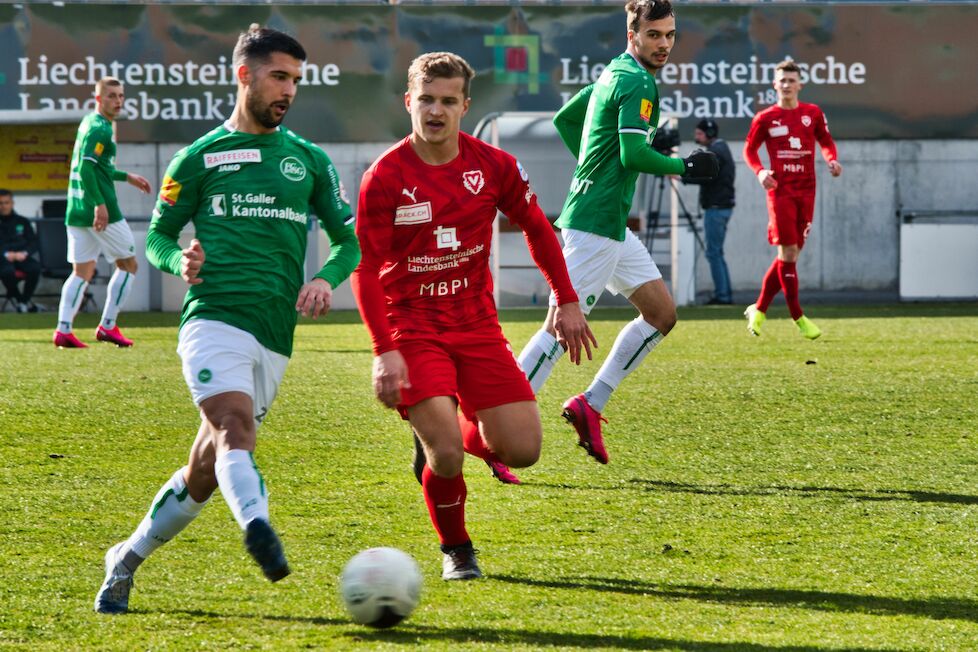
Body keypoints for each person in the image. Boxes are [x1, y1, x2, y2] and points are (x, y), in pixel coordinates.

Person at [93, 25, 360, 614]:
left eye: (296, 79)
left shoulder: (309, 160)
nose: (288, 90)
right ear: (245, 75)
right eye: (278, 76)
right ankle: (259, 527)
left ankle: (127, 558)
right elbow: (160, 238)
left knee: (206, 470)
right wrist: (178, 261)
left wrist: (324, 279)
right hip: (211, 319)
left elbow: (349, 242)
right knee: (236, 429)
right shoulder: (198, 158)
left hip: (274, 334)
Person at [351, 52, 593, 580]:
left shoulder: (494, 166)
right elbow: (366, 268)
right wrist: (382, 350)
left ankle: (449, 419)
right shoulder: (385, 177)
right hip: (410, 327)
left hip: (476, 324)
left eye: (447, 101)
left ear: (465, 105)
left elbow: (536, 226)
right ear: (408, 101)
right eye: (426, 100)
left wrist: (566, 296)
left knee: (523, 450)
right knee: (445, 457)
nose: (435, 111)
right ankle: (457, 550)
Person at [516, 0, 717, 465]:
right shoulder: (638, 81)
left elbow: (566, 119)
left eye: (669, 35)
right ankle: (496, 426)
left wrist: (592, 165)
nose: (663, 44)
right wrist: (683, 166)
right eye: (654, 35)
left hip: (606, 224)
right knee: (558, 328)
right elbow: (631, 155)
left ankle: (590, 404)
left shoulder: (613, 72)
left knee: (661, 313)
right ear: (633, 36)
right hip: (596, 226)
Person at [742, 59, 842, 340]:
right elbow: (749, 151)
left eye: (791, 80)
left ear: (800, 85)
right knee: (788, 254)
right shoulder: (765, 118)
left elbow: (826, 141)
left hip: (807, 191)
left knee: (790, 255)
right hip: (781, 192)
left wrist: (832, 160)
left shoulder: (812, 113)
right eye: (781, 80)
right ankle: (798, 316)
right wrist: (760, 171)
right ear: (774, 85)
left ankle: (759, 308)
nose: (786, 85)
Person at [54, 76, 152, 348]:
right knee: (129, 264)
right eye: (111, 96)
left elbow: (97, 166)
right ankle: (108, 326)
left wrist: (125, 176)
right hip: (99, 208)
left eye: (121, 96)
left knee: (81, 272)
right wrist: (100, 204)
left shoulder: (90, 121)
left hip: (75, 209)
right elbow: (86, 169)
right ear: (98, 98)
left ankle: (63, 330)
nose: (118, 101)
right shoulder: (100, 129)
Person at [682, 118, 736, 305]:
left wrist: (682, 176)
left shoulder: (716, 152)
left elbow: (707, 177)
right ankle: (724, 294)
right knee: (716, 252)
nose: (696, 137)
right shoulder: (721, 149)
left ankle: (723, 296)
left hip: (716, 208)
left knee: (713, 253)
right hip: (720, 207)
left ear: (709, 134)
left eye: (699, 134)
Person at [0, 189, 41, 312]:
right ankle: (20, 301)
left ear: (12, 203)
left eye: (6, 202)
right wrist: (5, 254)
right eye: (0, 203)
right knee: (7, 272)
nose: (3, 206)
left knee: (35, 268)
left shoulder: (23, 221)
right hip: (3, 258)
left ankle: (24, 301)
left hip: (21, 256)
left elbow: (33, 242)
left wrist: (24, 253)